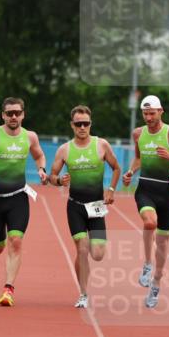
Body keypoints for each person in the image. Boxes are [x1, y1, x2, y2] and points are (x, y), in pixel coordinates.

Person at [0, 97, 48, 307]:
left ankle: (8, 289)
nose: (14, 116)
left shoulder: (30, 136)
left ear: (23, 115)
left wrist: (42, 169)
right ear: (3, 115)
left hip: (18, 198)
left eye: (17, 113)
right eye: (9, 113)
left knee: (16, 240)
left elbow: (39, 156)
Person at [122, 95, 169, 308]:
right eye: (145, 114)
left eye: (152, 113)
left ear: (161, 111)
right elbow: (138, 158)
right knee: (149, 223)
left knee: (163, 241)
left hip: (166, 192)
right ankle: (147, 264)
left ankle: (156, 281)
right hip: (145, 188)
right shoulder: (138, 133)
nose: (148, 118)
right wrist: (130, 172)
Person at [49, 105, 121, 309]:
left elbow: (116, 168)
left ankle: (88, 247)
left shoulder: (101, 145)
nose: (82, 127)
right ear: (72, 125)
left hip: (96, 206)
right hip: (75, 207)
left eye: (86, 123)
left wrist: (111, 190)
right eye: (78, 124)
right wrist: (59, 181)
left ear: (90, 124)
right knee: (81, 249)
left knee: (97, 254)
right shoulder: (65, 150)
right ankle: (83, 293)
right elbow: (52, 177)